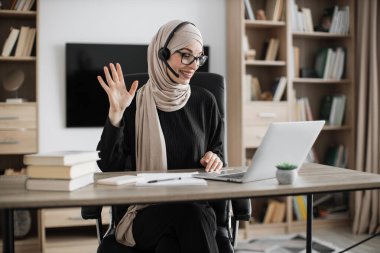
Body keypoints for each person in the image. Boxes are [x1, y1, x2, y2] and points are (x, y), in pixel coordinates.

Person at [96, 20, 226, 253]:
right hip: (145, 212)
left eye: (198, 57)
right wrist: (116, 114)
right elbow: (109, 166)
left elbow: (218, 155)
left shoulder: (206, 102)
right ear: (162, 54)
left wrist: (214, 157)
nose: (193, 65)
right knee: (188, 217)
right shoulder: (133, 103)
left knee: (170, 245)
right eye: (186, 55)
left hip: (196, 207)